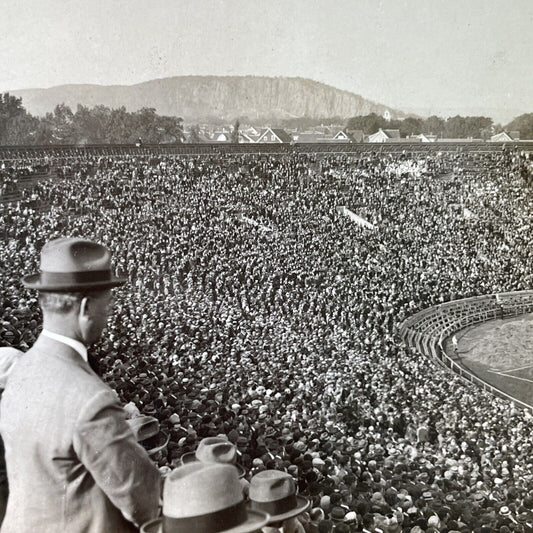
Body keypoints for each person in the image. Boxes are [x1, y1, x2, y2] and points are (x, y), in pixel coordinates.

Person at [0, 237, 161, 533]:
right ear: (86, 307)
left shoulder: (20, 371)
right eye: (107, 304)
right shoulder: (91, 399)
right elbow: (146, 502)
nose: (108, 314)